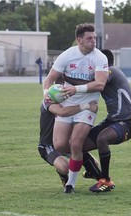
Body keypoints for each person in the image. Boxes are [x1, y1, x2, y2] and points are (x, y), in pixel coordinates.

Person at [42, 23, 109, 194]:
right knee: (60, 145)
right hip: (67, 104)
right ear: (79, 40)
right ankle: (84, 163)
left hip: (88, 107)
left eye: (94, 38)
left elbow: (100, 84)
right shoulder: (67, 55)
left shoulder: (100, 57)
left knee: (76, 143)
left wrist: (75, 89)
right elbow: (49, 79)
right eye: (89, 38)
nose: (93, 41)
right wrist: (46, 94)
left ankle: (70, 184)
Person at [65, 49, 131, 193]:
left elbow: (91, 83)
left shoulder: (111, 71)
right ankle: (94, 172)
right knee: (77, 145)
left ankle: (106, 180)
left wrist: (65, 76)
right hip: (112, 121)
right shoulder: (105, 73)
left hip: (126, 123)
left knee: (102, 138)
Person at [37, 95, 98, 187]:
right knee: (64, 167)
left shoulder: (71, 103)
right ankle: (63, 175)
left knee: (95, 163)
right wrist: (87, 106)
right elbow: (62, 112)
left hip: (66, 143)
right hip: (48, 146)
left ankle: (90, 174)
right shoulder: (49, 101)